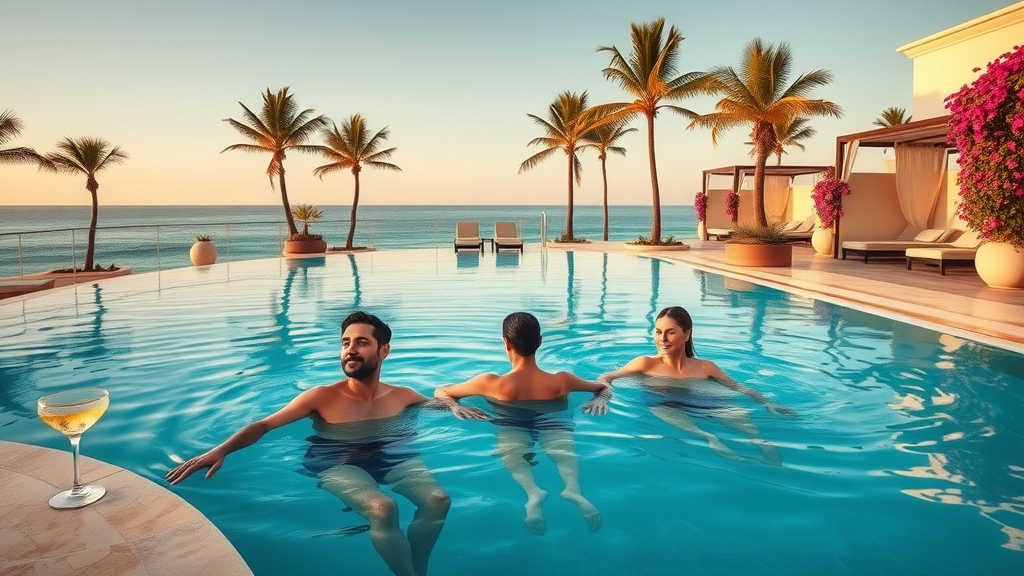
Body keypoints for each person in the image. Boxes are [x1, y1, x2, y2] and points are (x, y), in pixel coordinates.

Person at [166, 311, 467, 576]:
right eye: (345, 343)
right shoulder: (321, 396)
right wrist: (221, 449)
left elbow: (437, 404)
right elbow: (264, 424)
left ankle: (418, 570)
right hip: (337, 460)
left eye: (362, 342)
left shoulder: (402, 395)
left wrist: (454, 405)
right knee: (383, 508)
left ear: (383, 350)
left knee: (438, 500)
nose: (350, 350)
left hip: (392, 453)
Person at [434, 312, 610, 535]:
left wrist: (455, 406)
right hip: (554, 421)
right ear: (540, 341)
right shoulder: (562, 380)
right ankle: (573, 490)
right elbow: (603, 387)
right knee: (564, 450)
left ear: (506, 343)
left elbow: (441, 391)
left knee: (512, 452)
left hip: (512, 422)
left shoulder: (490, 383)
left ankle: (533, 492)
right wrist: (600, 400)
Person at [598, 306, 796, 466]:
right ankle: (711, 438)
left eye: (670, 332)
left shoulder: (705, 367)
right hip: (664, 402)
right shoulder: (646, 363)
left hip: (705, 401)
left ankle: (760, 443)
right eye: (658, 332)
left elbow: (737, 387)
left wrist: (767, 403)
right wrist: (602, 397)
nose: (662, 339)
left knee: (746, 424)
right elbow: (606, 377)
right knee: (669, 413)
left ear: (687, 334)